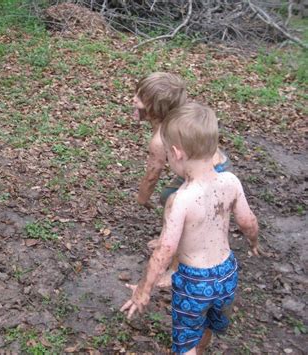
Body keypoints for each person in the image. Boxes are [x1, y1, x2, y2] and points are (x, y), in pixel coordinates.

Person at [121, 103, 260, 354]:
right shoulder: (230, 180)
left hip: (195, 282)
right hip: (227, 274)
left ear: (176, 153)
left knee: (185, 343)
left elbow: (165, 250)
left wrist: (144, 290)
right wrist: (253, 243)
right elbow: (248, 222)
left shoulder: (181, 199)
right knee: (208, 325)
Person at [133, 72, 231, 287]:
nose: (134, 100)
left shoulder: (160, 140)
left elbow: (152, 175)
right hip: (219, 165)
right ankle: (170, 238)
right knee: (172, 198)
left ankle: (177, 269)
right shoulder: (178, 120)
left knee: (175, 204)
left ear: (154, 108)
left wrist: (142, 198)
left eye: (139, 97)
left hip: (213, 173)